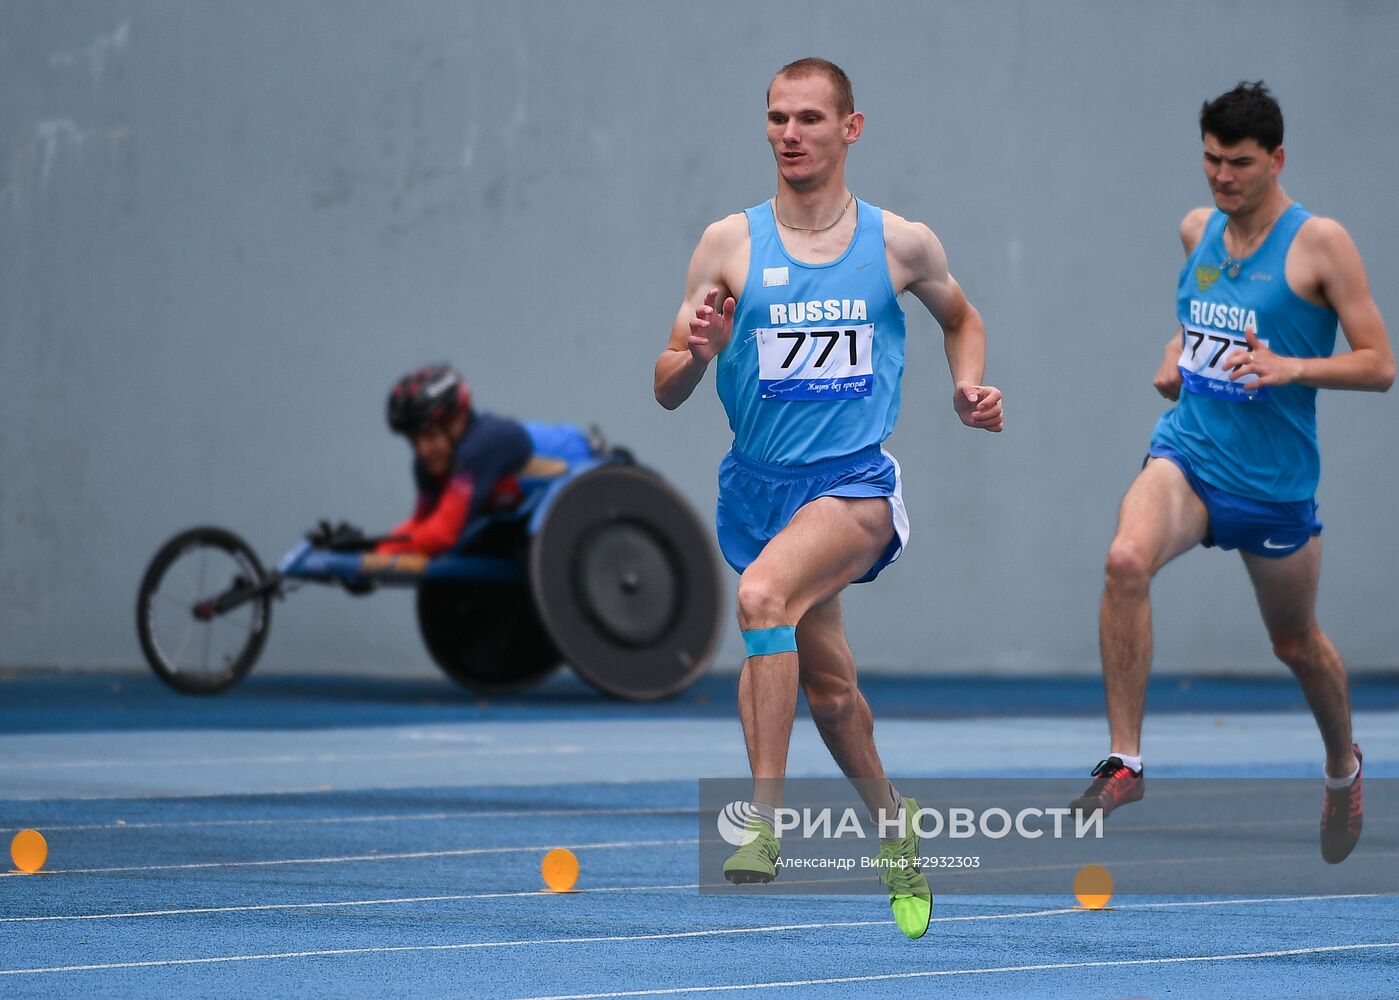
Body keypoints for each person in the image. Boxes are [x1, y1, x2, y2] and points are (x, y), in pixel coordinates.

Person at [653, 58, 1003, 939]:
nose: (789, 134)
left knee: (760, 596)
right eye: (776, 118)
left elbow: (961, 316)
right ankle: (897, 833)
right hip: (759, 490)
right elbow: (662, 385)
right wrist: (697, 352)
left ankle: (759, 825)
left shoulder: (898, 243)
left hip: (853, 488)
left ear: (850, 128)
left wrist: (968, 386)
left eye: (809, 118)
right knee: (833, 692)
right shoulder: (727, 244)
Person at [1071, 82, 1393, 865]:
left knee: (1294, 642)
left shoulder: (1319, 243)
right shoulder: (1196, 230)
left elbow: (1379, 365)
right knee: (1123, 560)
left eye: (1239, 163)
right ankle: (1125, 761)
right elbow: (1194, 315)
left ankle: (1340, 766)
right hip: (1189, 452)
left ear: (1275, 159)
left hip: (1272, 482)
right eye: (1211, 160)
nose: (1222, 178)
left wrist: (1291, 368)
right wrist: (1171, 361)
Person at [373, 364, 596, 556]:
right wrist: (368, 548)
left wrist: (382, 552)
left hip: (590, 474)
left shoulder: (480, 448)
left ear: (458, 422)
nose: (422, 451)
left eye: (430, 437)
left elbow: (443, 533)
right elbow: (423, 524)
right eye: (414, 440)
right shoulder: (428, 464)